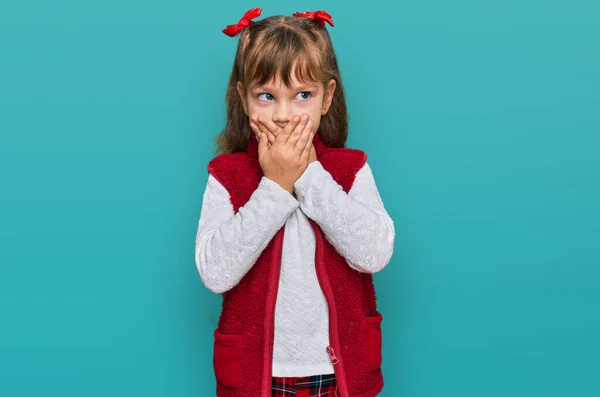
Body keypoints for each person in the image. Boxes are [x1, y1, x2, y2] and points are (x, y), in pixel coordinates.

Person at [194, 8, 395, 397]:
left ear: (327, 97)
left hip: (340, 373)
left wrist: (306, 176)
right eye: (267, 96)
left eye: (303, 95)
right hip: (257, 374)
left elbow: (374, 252)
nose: (284, 115)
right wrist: (274, 186)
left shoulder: (352, 170)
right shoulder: (226, 176)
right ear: (243, 97)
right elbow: (215, 272)